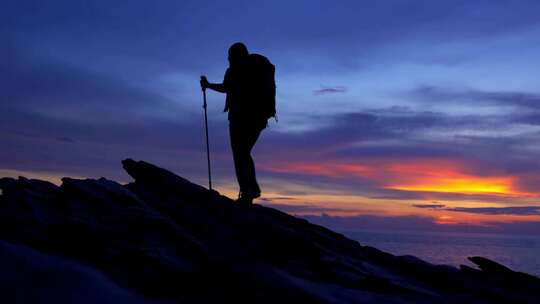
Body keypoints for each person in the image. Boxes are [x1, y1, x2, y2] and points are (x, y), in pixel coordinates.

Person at [200, 42, 275, 205]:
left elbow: (227, 88)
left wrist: (207, 85)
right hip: (259, 118)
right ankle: (249, 190)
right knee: (243, 152)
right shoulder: (254, 67)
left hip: (240, 118)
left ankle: (249, 191)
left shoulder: (236, 70)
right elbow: (229, 88)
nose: (228, 59)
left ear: (235, 56)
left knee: (240, 152)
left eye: (230, 56)